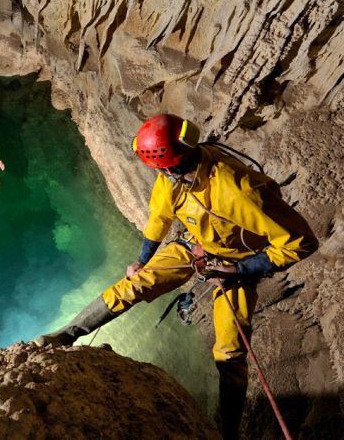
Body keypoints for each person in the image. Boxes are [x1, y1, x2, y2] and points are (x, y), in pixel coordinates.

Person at [35, 114, 318, 439]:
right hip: (195, 248)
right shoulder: (175, 179)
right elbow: (159, 218)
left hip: (237, 266)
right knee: (133, 285)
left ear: (168, 165)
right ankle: (66, 334)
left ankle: (227, 433)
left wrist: (239, 269)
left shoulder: (239, 190)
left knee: (230, 354)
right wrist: (142, 260)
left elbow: (302, 241)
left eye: (157, 169)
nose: (157, 175)